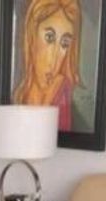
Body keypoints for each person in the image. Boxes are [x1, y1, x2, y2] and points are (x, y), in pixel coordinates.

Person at [13, 0, 82, 131]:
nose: (55, 59)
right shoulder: (19, 92)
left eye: (65, 44)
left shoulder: (62, 92)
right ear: (32, 35)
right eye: (49, 38)